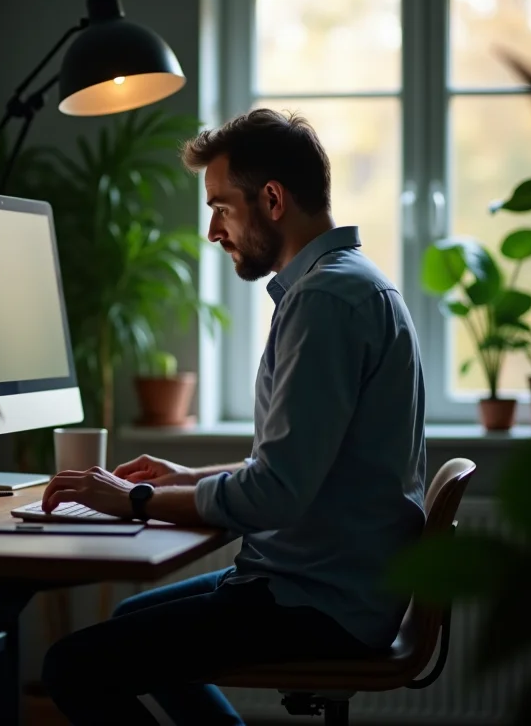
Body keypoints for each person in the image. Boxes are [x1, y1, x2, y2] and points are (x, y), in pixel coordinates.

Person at [40, 108, 426, 726]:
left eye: (221, 206)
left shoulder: (324, 301)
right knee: (125, 626)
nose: (214, 231)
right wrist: (180, 477)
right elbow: (290, 468)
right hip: (333, 588)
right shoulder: (349, 284)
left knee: (71, 668)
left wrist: (134, 499)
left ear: (271, 199)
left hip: (316, 603)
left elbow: (275, 493)